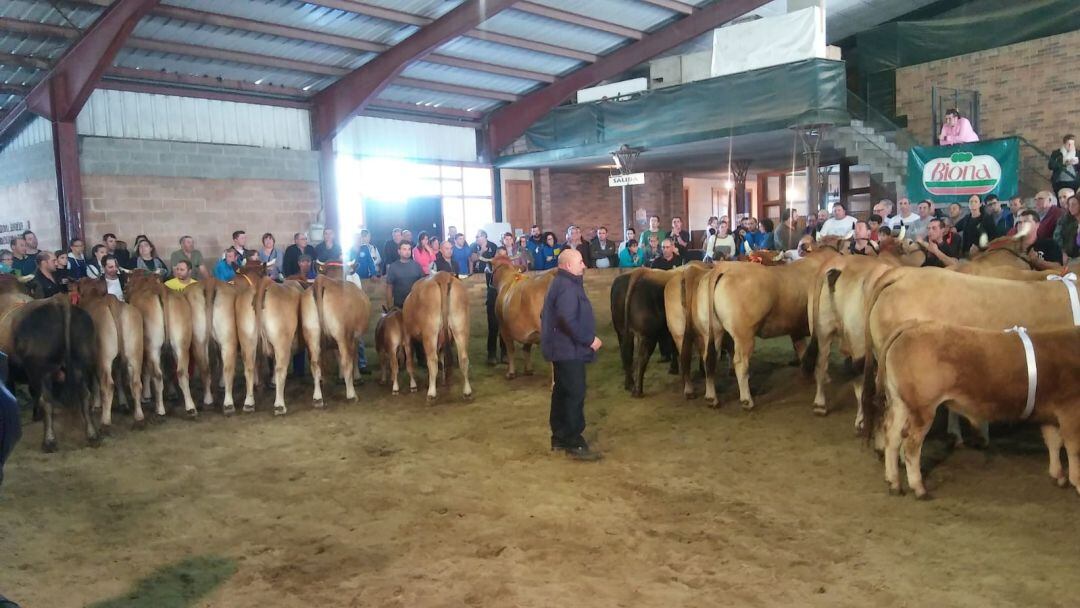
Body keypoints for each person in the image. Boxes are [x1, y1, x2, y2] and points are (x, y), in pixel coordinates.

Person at [541, 248, 602, 461]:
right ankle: (574, 442)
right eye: (580, 262)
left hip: (561, 349)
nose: (584, 265)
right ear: (568, 265)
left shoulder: (560, 283)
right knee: (575, 393)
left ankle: (559, 437)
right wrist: (589, 340)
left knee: (561, 392)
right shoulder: (567, 286)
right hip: (569, 351)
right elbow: (568, 319)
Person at [384, 241, 424, 310]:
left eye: (409, 249)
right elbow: (389, 288)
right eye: (404, 249)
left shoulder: (417, 266)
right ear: (399, 251)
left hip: (416, 305)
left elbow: (423, 285)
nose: (407, 252)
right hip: (399, 306)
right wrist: (390, 306)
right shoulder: (393, 267)